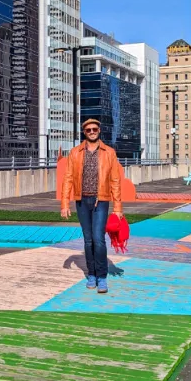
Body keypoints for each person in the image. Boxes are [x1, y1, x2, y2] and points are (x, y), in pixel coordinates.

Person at [61, 118, 123, 293]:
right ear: (84, 132)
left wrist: (118, 207)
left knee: (98, 239)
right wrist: (65, 203)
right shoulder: (75, 153)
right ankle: (92, 274)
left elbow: (116, 180)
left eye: (94, 129)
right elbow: (67, 178)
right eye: (88, 130)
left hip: (101, 200)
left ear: (99, 130)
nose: (92, 132)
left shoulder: (109, 152)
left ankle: (102, 277)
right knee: (88, 241)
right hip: (82, 201)